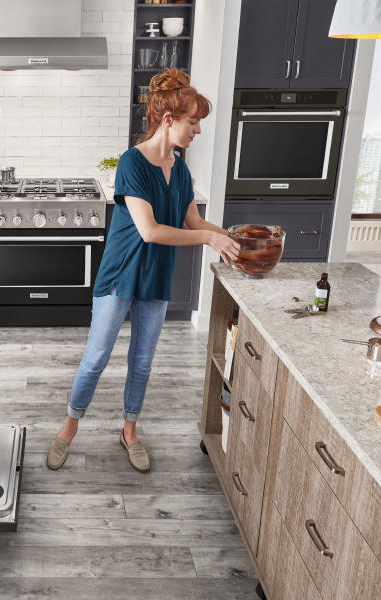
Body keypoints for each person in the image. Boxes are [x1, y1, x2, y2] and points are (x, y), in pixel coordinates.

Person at [47, 68, 241, 473]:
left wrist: (235, 237)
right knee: (97, 356)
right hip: (120, 274)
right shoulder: (132, 163)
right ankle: (69, 427)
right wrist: (210, 241)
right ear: (169, 121)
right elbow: (150, 231)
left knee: (143, 361)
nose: (198, 130)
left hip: (155, 278)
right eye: (193, 121)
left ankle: (129, 431)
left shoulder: (182, 170)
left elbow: (193, 222)